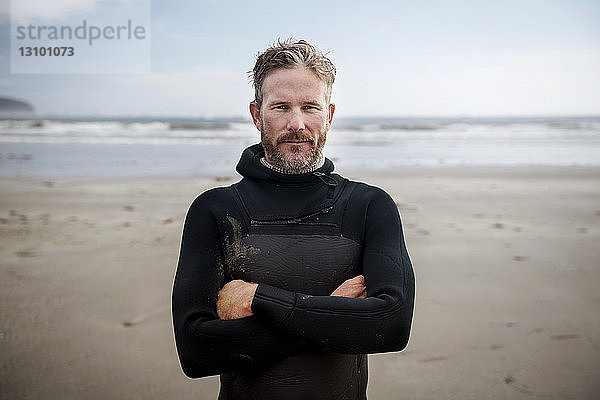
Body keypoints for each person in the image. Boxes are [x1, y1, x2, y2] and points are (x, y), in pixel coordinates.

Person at [172, 39, 415, 400]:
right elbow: (196, 352)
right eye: (281, 107)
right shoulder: (216, 210)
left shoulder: (369, 205)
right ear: (257, 115)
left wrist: (260, 299)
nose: (296, 123)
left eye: (310, 107)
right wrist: (335, 313)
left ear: (329, 115)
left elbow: (391, 327)